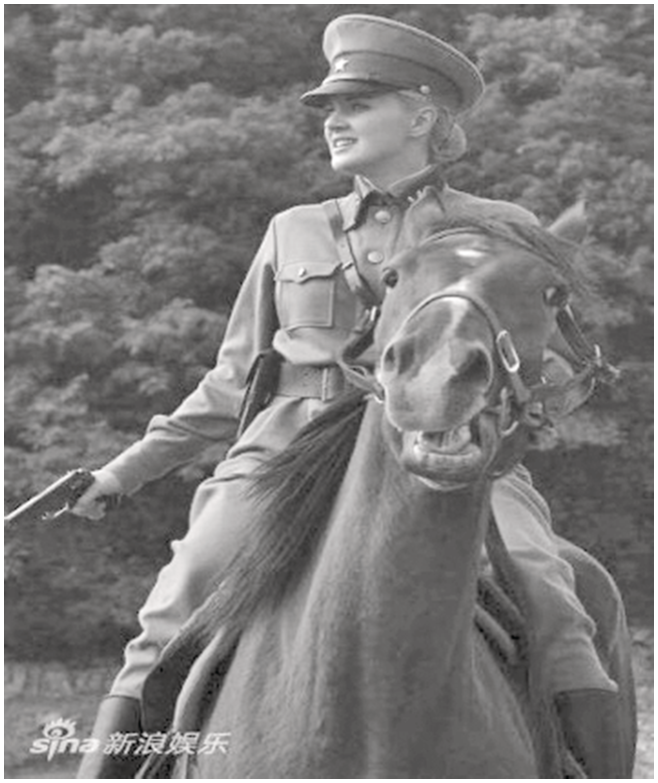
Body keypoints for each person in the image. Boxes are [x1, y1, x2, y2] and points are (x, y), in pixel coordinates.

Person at [73, 13, 620, 778]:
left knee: (550, 582)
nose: (334, 120)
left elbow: (549, 362)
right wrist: (121, 472)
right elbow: (231, 380)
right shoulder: (292, 230)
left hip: (448, 448)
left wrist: (526, 404)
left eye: (357, 104)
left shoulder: (499, 231)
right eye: (331, 107)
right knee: (185, 581)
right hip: (287, 454)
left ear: (423, 114)